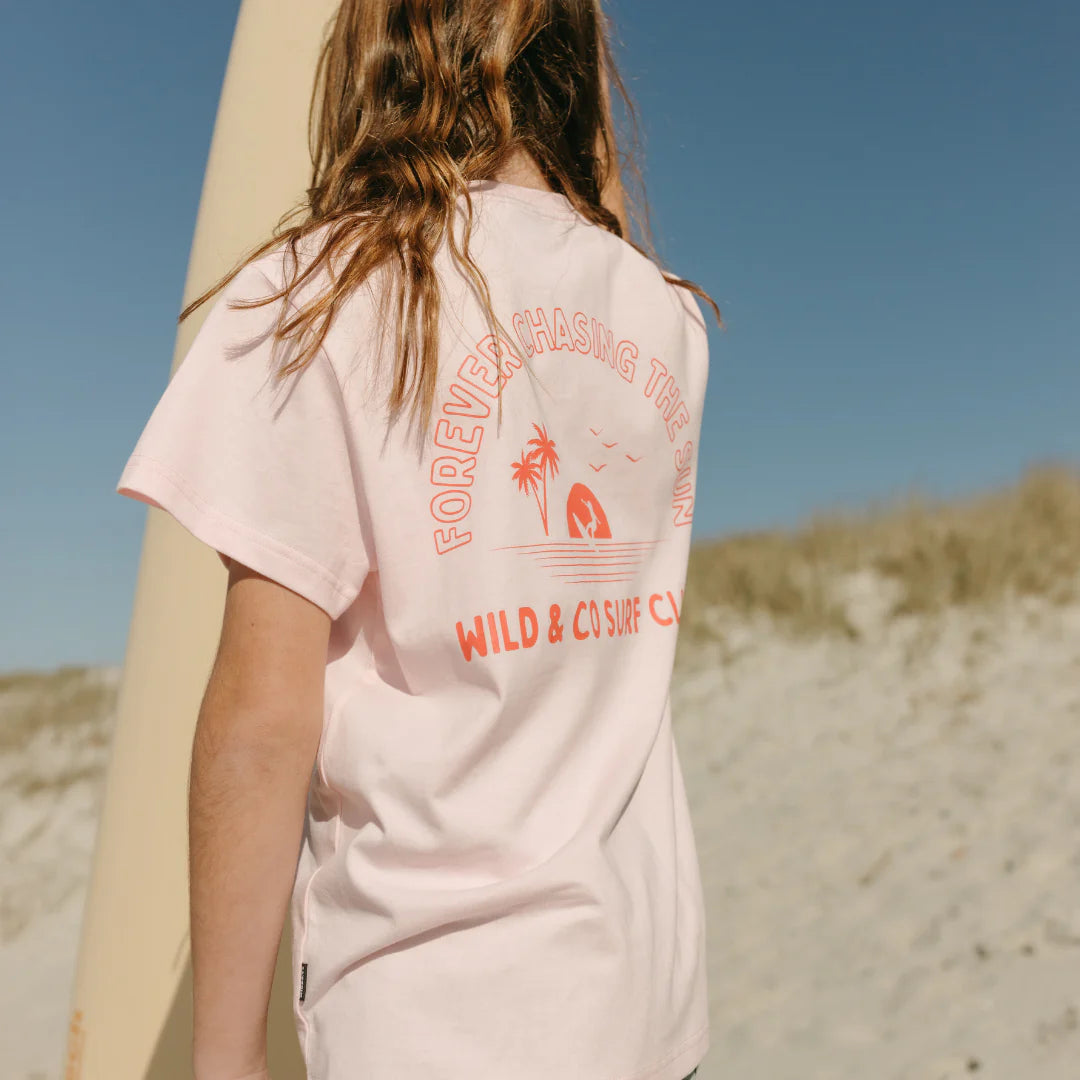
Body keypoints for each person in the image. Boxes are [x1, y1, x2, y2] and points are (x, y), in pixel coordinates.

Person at [116, 1, 721, 1078]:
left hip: (433, 1019)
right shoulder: (664, 317)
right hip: (643, 1005)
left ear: (381, 44)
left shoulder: (317, 299)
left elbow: (262, 722)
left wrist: (225, 1057)